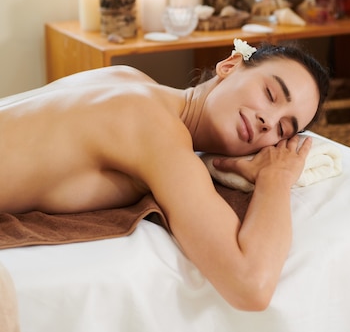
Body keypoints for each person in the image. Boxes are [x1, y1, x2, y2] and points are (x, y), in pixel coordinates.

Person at [0, 39, 330, 312]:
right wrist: (276, 179)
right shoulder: (158, 132)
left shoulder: (128, 78)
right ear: (229, 66)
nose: (267, 122)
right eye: (270, 95)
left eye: (283, 129)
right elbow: (250, 286)